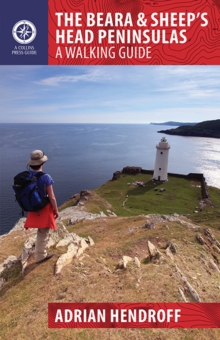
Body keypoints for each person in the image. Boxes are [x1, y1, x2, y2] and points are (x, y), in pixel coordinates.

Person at [24, 150, 59, 264]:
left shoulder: (27, 176)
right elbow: (52, 197)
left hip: (33, 207)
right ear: (42, 163)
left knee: (41, 230)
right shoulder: (46, 177)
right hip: (43, 208)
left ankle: (39, 252)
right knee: (43, 231)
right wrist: (56, 210)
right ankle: (40, 256)